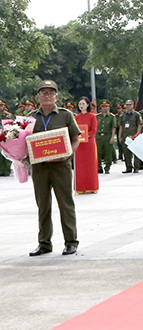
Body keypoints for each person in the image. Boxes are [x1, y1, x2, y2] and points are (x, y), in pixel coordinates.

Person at [28, 81, 82, 256]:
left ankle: (71, 241)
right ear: (38, 97)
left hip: (61, 166)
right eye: (43, 93)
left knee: (65, 203)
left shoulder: (65, 115)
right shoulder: (30, 118)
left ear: (56, 96)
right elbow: (23, 142)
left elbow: (76, 139)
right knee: (43, 205)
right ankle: (44, 243)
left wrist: (68, 154)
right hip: (40, 168)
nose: (47, 95)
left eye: (50, 93)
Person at [74, 97, 99, 194]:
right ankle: (80, 187)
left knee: (90, 164)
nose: (81, 106)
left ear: (88, 105)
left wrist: (86, 135)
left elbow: (94, 130)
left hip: (89, 143)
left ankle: (91, 186)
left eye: (83, 104)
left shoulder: (92, 116)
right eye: (80, 104)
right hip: (79, 144)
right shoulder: (76, 117)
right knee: (80, 165)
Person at [118, 99, 143, 173]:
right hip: (125, 136)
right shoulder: (123, 115)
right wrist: (119, 136)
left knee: (135, 152)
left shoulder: (136, 114)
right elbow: (121, 126)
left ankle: (136, 167)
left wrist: (137, 134)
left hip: (134, 135)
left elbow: (139, 124)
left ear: (133, 106)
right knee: (126, 153)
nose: (128, 106)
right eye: (127, 105)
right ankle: (128, 167)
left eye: (130, 105)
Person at [95, 100, 117, 173]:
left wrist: (112, 137)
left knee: (108, 153)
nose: (105, 108)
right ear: (100, 108)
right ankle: (99, 167)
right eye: (103, 107)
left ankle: (107, 167)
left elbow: (113, 127)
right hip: (98, 136)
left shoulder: (112, 117)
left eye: (106, 107)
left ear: (109, 108)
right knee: (98, 153)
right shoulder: (97, 116)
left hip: (107, 136)